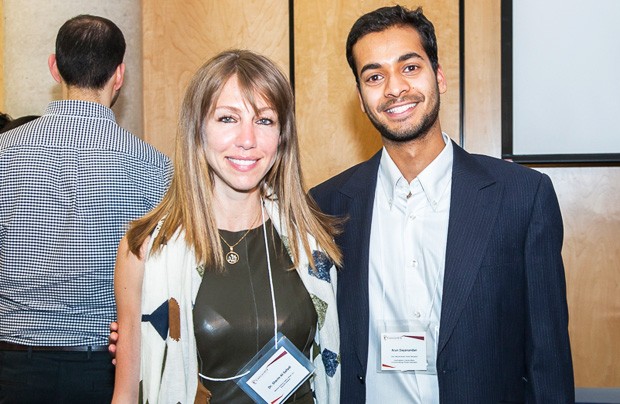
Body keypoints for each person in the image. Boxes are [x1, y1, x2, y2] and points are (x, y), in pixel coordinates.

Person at [309, 5, 574, 403]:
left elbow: (547, 358)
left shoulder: (521, 196)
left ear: (439, 77)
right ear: (362, 100)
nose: (395, 88)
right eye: (375, 76)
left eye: (410, 67)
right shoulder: (327, 205)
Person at [111, 50, 341, 404]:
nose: (247, 139)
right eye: (227, 119)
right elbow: (126, 394)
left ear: (282, 137)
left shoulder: (309, 240)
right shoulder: (145, 249)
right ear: (198, 129)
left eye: (264, 121)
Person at [0, 15, 171, 403]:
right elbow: (163, 277)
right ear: (120, 74)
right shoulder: (152, 165)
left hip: (11, 364)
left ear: (54, 67)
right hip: (106, 369)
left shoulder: (4, 153)